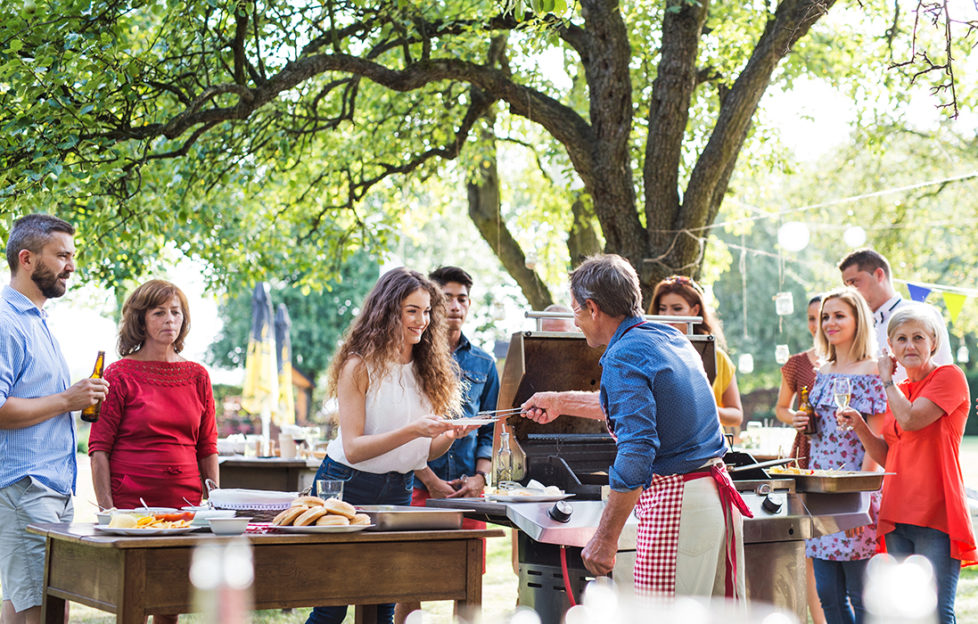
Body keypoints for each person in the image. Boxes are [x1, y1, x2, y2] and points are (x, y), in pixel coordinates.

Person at [521, 254, 750, 598]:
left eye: (576, 310)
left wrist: (605, 538)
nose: (576, 321)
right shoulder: (667, 337)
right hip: (712, 500)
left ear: (593, 308)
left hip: (677, 504)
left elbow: (638, 447)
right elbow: (637, 408)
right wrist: (559, 400)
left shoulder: (624, 354)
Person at [307, 267, 472, 624]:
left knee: (383, 602)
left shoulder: (428, 368)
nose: (422, 321)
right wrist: (414, 429)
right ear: (387, 311)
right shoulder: (358, 366)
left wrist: (449, 434)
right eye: (412, 310)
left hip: (398, 488)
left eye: (427, 311)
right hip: (344, 485)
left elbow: (423, 452)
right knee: (331, 605)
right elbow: (354, 448)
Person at [0, 214, 109, 624]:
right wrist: (66, 399)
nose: (71, 266)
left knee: (22, 609)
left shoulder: (38, 321)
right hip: (25, 490)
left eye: (72, 256)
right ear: (26, 259)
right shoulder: (6, 323)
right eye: (61, 255)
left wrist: (76, 401)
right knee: (42, 615)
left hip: (51, 489)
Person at [839, 303, 976, 624]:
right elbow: (891, 456)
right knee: (904, 615)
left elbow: (912, 420)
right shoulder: (900, 390)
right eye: (901, 339)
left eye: (918, 337)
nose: (910, 345)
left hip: (935, 512)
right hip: (897, 511)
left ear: (934, 344)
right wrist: (860, 424)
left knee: (937, 611)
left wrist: (886, 380)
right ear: (891, 347)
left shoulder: (949, 377)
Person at [396, 266, 499, 624]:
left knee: (468, 580)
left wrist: (480, 479)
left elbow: (490, 430)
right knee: (409, 579)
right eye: (447, 298)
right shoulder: (411, 356)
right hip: (418, 486)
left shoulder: (485, 363)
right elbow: (401, 426)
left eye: (462, 299)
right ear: (432, 303)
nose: (455, 306)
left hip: (467, 491)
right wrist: (429, 479)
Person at [791, 288, 887, 624]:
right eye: (825, 316)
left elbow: (876, 443)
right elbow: (821, 433)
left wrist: (859, 503)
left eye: (838, 315)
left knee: (861, 598)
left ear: (858, 320)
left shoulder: (874, 371)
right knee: (828, 596)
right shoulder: (824, 370)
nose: (829, 323)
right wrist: (805, 423)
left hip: (855, 494)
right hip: (820, 492)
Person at [89, 280, 219, 512]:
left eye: (175, 312)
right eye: (159, 312)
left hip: (188, 507)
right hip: (130, 508)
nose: (170, 319)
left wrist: (216, 506)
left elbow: (208, 447)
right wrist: (107, 511)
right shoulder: (119, 375)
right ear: (141, 320)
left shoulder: (198, 376)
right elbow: (99, 449)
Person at [774, 294, 825, 624]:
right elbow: (781, 407)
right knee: (808, 539)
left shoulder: (856, 360)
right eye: (811, 318)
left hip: (842, 456)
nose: (817, 324)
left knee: (836, 537)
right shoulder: (796, 363)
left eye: (824, 316)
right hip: (805, 453)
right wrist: (792, 417)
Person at [839, 248, 952, 381]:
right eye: (846, 286)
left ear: (879, 275)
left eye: (854, 283)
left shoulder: (922, 313)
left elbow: (945, 372)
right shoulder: (860, 326)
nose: (849, 292)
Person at [649, 275, 743, 428]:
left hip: (708, 447)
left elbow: (736, 416)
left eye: (677, 308)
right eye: (662, 309)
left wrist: (707, 407)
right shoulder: (648, 354)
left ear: (695, 310)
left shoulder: (717, 357)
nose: (668, 316)